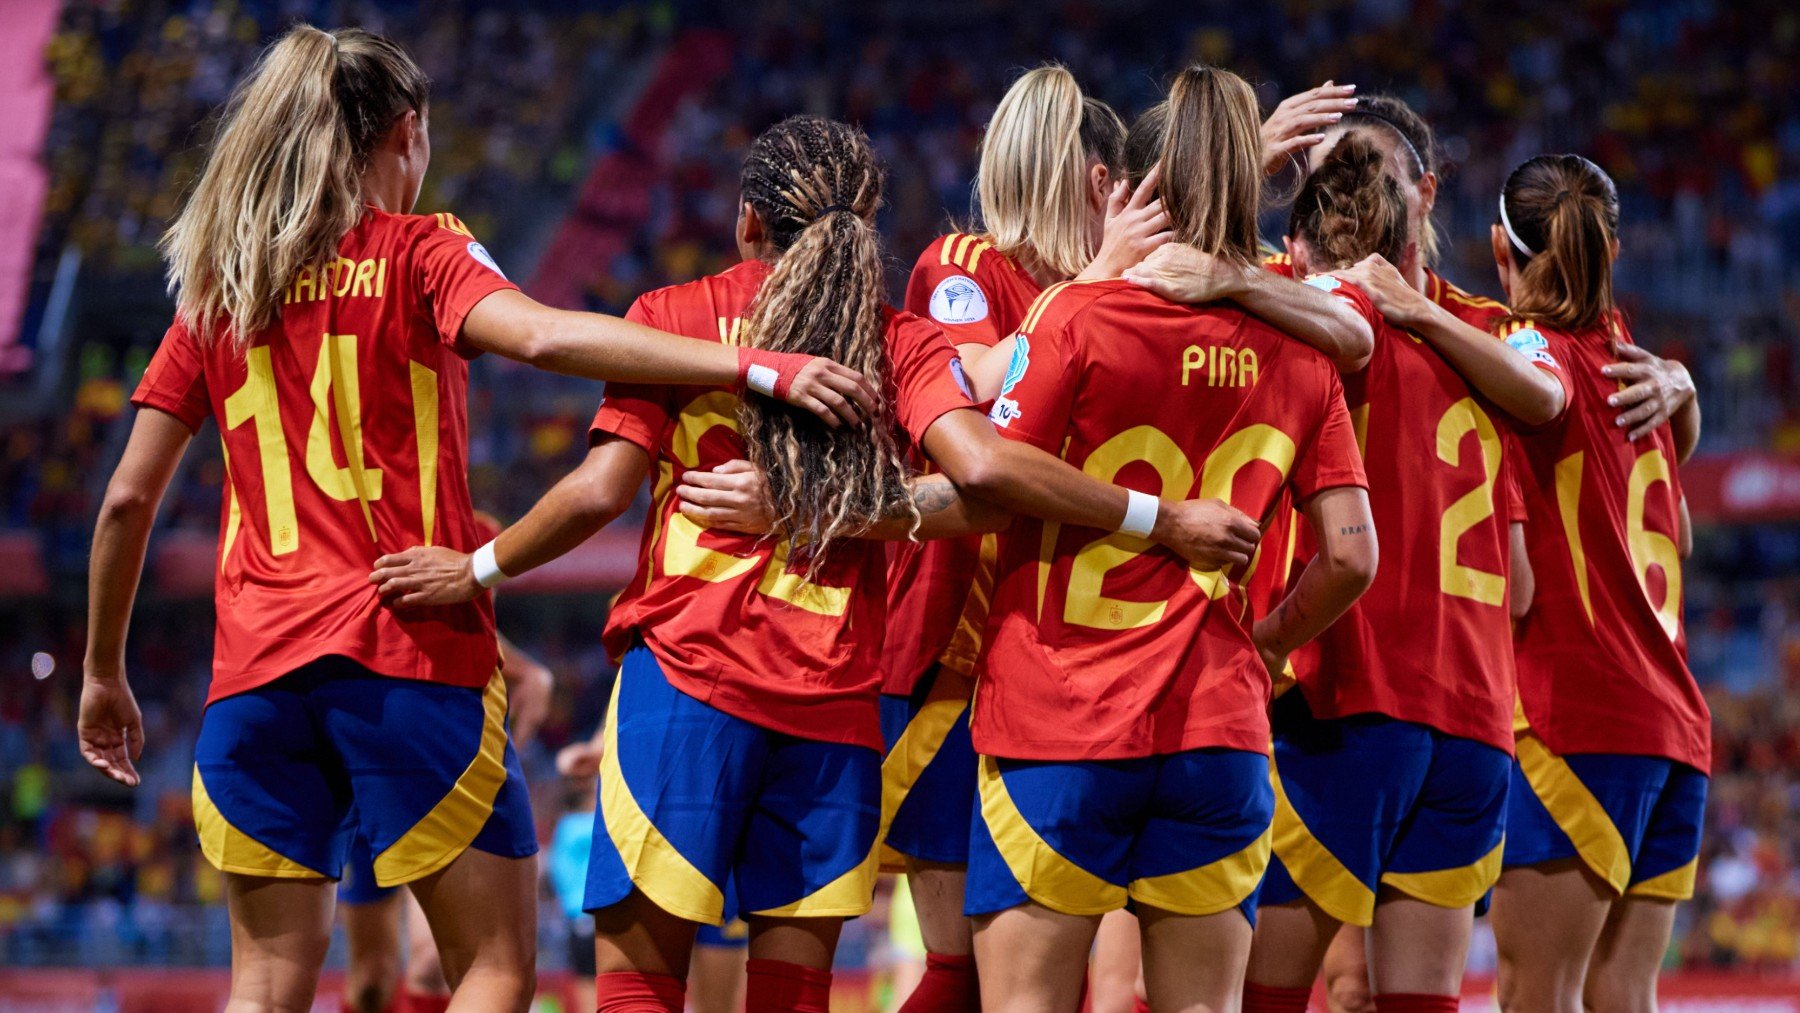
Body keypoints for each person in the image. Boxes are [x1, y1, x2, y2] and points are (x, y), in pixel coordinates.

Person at [370, 114, 1259, 1013]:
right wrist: (848, 506)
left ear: (748, 219)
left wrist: (475, 568)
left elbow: (599, 493)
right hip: (831, 703)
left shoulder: (671, 318)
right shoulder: (897, 340)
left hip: (684, 683)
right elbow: (984, 486)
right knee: (793, 997)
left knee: (641, 988)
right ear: (865, 224)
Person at [73, 26, 875, 1013]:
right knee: (492, 968)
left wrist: (102, 670)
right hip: (406, 654)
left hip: (254, 677)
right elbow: (539, 335)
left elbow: (126, 498)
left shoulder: (220, 289)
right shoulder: (421, 249)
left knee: (266, 981)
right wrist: (753, 363)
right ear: (406, 131)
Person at [957, 65, 1377, 1013]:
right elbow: (1353, 556)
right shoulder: (1304, 353)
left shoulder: (1076, 314)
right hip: (1218, 732)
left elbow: (992, 472)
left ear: (1139, 187)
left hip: (1059, 719)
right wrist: (1268, 642)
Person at [1227, 133, 1564, 1013]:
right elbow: (1522, 583)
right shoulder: (1488, 345)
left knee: (1240, 994)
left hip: (1350, 699)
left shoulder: (1328, 322)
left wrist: (1265, 642)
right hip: (1476, 721)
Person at [1483, 155, 1707, 1013]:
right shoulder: (1640, 372)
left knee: (1534, 994)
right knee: (1623, 993)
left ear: (1497, 248)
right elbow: (1680, 533)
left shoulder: (1525, 365)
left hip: (1573, 716)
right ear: (1611, 247)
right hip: (1673, 723)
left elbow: (1519, 589)